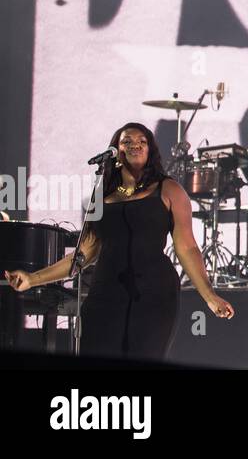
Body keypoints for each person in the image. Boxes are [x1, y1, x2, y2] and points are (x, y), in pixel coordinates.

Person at [5, 123, 234, 360]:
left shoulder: (169, 190)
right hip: (105, 293)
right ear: (116, 151)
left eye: (142, 141)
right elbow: (83, 254)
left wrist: (210, 296)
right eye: (127, 141)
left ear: (150, 150)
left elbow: (187, 247)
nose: (135, 145)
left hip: (153, 294)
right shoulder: (101, 196)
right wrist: (32, 279)